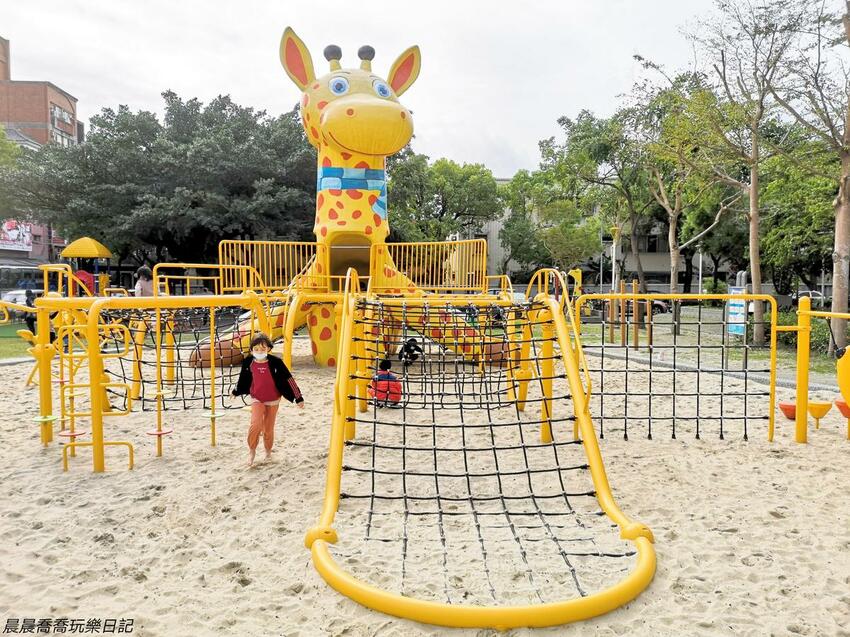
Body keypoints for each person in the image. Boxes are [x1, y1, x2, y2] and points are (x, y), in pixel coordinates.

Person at [231, 333, 304, 466]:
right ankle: (252, 451)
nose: (260, 352)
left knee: (268, 429)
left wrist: (298, 397)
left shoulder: (276, 362)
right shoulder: (248, 362)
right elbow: (243, 379)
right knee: (255, 424)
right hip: (256, 398)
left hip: (273, 399)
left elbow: (289, 379)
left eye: (263, 349)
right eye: (256, 349)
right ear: (252, 349)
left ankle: (268, 452)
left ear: (268, 349)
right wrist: (236, 391)